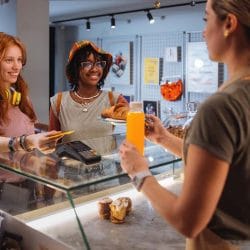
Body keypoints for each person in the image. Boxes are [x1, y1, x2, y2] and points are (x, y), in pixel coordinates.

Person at [119, 1, 250, 249]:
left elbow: (188, 220)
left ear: (229, 24)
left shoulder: (221, 106)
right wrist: (165, 139)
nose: (203, 31)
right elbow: (228, 163)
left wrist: (140, 174)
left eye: (206, 19)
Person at [49, 40, 128, 142]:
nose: (95, 69)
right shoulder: (59, 102)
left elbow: (135, 122)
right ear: (75, 68)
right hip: (69, 158)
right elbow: (52, 145)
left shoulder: (114, 99)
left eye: (99, 64)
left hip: (106, 158)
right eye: (87, 64)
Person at [0, 32, 63, 154]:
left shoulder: (22, 98)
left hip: (24, 170)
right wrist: (26, 142)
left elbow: (31, 128)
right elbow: (26, 140)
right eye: (9, 60)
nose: (16, 66)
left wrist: (47, 135)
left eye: (19, 60)